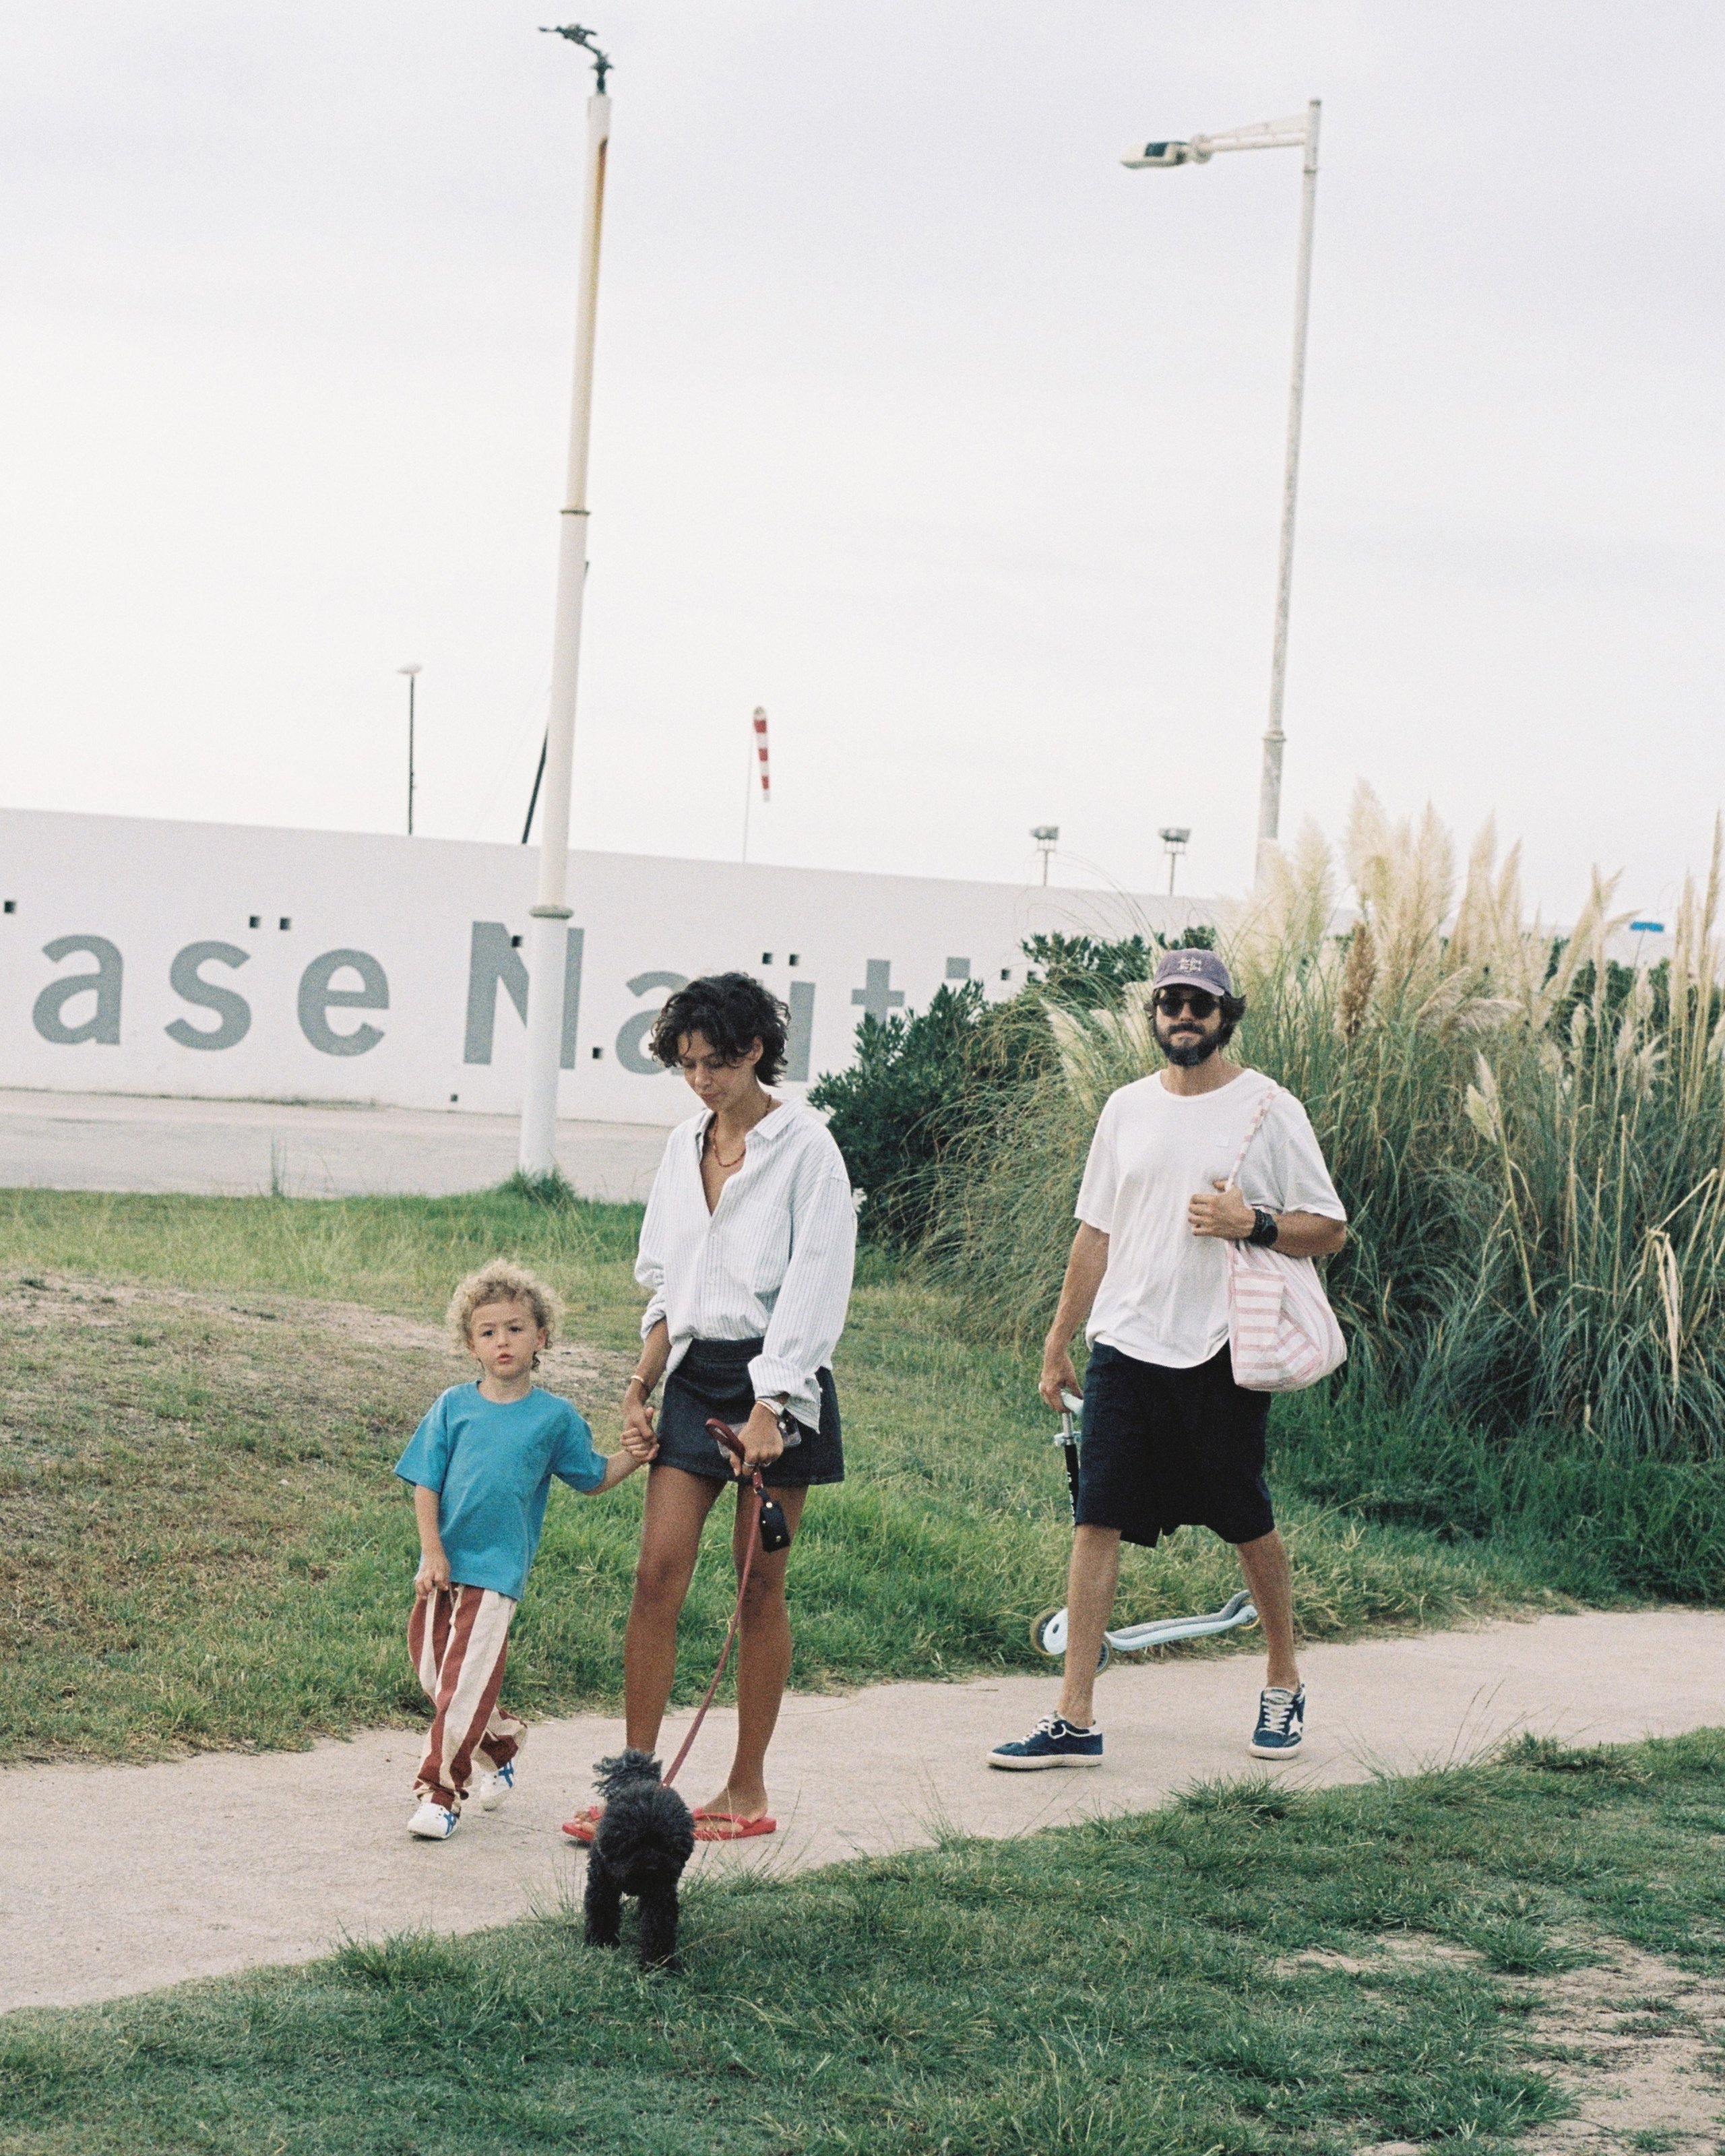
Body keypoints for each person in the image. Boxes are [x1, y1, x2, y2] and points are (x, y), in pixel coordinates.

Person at [989, 947, 1347, 1773]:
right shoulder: (1126, 1107)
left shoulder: (1269, 1107)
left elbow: (1329, 1227)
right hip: (1124, 1342)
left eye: (1199, 1002)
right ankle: (1074, 1715)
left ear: (1226, 1015)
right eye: (1169, 1002)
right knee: (1096, 1518)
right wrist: (1058, 1338)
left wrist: (1252, 1222)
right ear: (1153, 1014)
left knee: (1245, 1517)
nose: (1183, 1015)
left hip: (1221, 1346)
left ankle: (1283, 1679)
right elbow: (1095, 1230)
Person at [565, 972, 856, 1845]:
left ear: (756, 1050)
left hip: (780, 1384)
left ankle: (745, 1787)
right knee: (656, 1575)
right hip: (694, 1376)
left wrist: (773, 1404)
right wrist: (639, 1384)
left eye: (717, 1063)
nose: (701, 1080)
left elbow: (816, 1284)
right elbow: (670, 1281)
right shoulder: (682, 1144)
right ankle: (635, 1783)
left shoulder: (808, 1148)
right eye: (687, 1065)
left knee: (757, 1587)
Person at [396, 1260, 650, 1840]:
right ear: (471, 1344)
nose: (502, 1341)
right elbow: (425, 1484)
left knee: (461, 1689)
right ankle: (501, 1741)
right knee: (436, 1678)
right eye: (488, 1332)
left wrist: (636, 1455)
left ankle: (441, 1794)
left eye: (515, 1329)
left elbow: (593, 1477)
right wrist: (432, 1552)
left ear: (541, 1337)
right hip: (444, 1566)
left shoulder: (554, 1418)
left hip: (497, 1573)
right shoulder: (452, 1406)